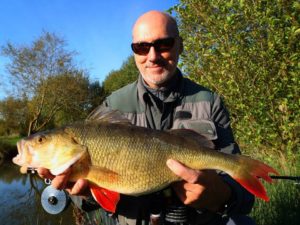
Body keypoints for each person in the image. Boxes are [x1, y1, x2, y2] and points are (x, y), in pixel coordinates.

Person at [38, 10, 255, 225]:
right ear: (134, 52)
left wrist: (221, 195)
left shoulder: (209, 102)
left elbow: (244, 198)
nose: (152, 56)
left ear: (180, 45)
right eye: (142, 47)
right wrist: (84, 194)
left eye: (163, 44)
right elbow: (87, 201)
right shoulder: (111, 107)